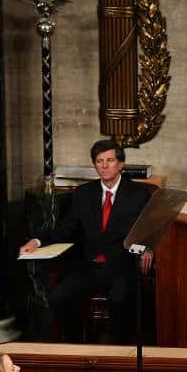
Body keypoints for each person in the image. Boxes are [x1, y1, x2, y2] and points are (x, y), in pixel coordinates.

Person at [20, 139, 152, 343]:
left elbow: (148, 229)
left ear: (120, 164)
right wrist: (37, 241)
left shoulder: (138, 194)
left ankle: (117, 354)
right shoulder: (83, 194)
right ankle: (76, 345)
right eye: (100, 161)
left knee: (120, 301)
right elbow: (67, 229)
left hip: (121, 266)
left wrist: (148, 248)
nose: (105, 166)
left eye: (110, 160)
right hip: (88, 267)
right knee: (58, 297)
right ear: (94, 165)